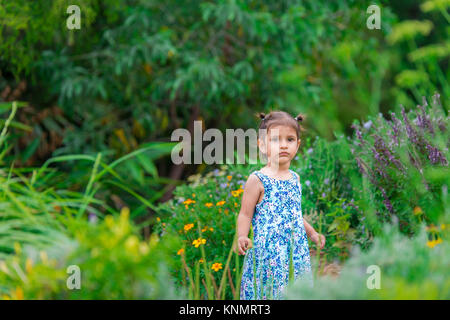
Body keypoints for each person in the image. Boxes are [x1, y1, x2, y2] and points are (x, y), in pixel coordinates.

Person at [236, 111, 325, 300]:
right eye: (276, 140)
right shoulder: (257, 179)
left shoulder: (295, 178)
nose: (284, 145)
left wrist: (312, 233)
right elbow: (245, 214)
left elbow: (294, 214)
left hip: (295, 253)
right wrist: (242, 235)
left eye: (290, 139)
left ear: (298, 145)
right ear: (261, 145)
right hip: (268, 255)